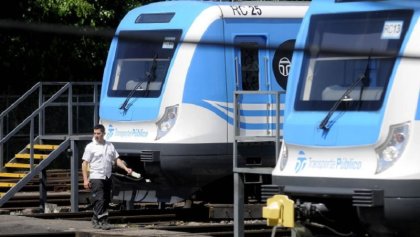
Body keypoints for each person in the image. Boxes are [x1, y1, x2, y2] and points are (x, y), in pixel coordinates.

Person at [82, 124, 133, 230]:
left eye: (98, 133)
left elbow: (116, 160)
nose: (96, 135)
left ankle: (96, 219)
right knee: (99, 199)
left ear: (104, 134)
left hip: (107, 176)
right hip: (96, 176)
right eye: (95, 133)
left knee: (106, 199)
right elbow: (84, 164)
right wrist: (85, 179)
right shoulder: (90, 147)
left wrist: (126, 168)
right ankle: (103, 221)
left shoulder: (110, 145)